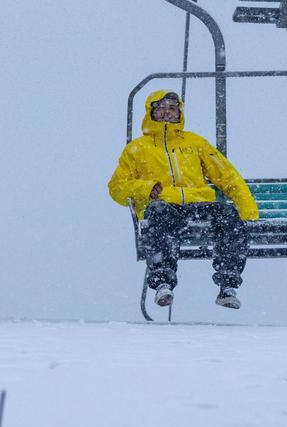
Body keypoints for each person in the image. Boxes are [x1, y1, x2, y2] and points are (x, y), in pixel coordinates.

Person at [108, 90, 259, 309]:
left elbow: (227, 176)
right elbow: (116, 187)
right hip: (165, 206)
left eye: (172, 108)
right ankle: (163, 283)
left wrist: (248, 209)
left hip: (197, 204)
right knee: (158, 213)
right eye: (161, 108)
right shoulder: (136, 150)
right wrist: (145, 188)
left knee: (227, 213)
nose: (167, 112)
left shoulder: (195, 143)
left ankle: (228, 285)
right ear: (151, 112)